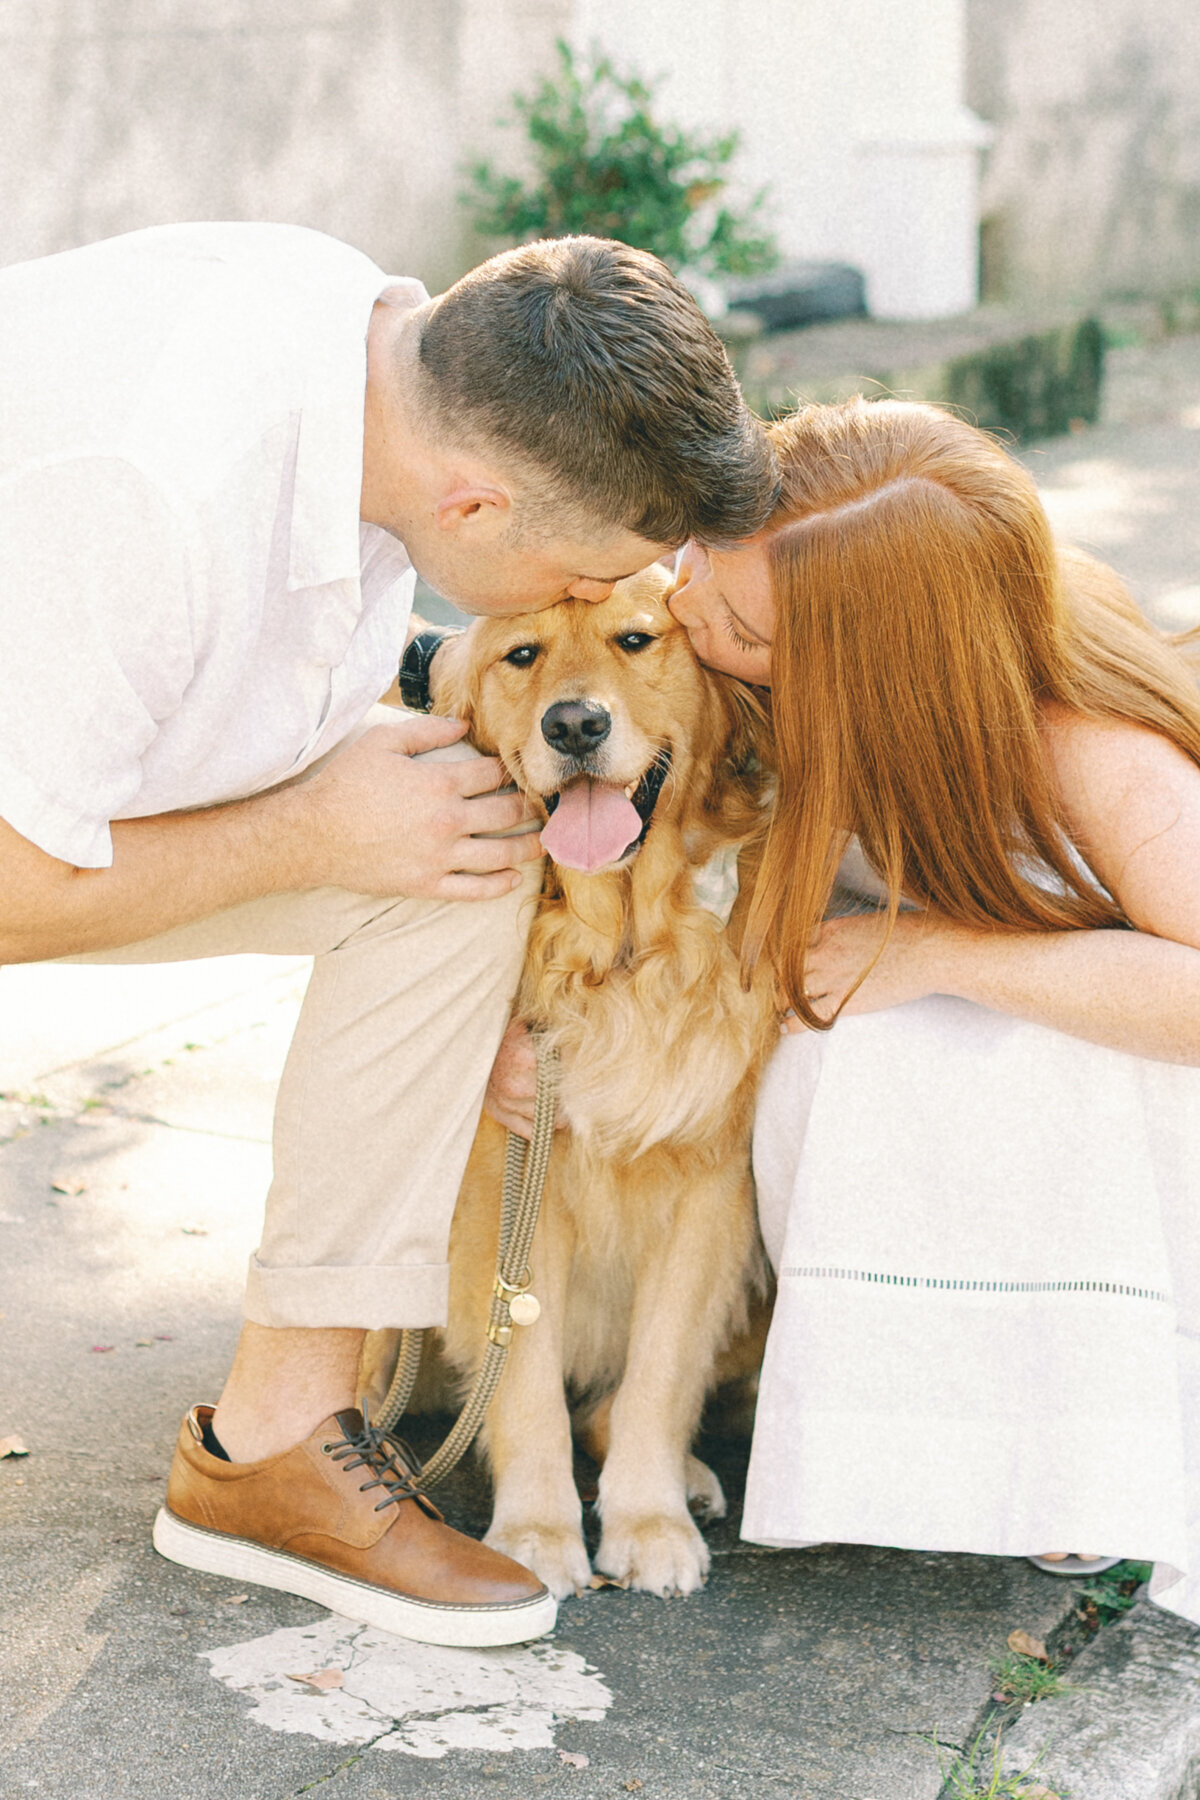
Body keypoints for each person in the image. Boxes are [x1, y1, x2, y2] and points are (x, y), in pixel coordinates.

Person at [0, 220, 779, 1645]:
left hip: (77, 763)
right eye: (594, 573)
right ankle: (272, 1469)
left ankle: (291, 1422)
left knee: (449, 837)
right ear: (478, 512)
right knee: (396, 835)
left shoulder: (374, 346)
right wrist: (308, 830)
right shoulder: (146, 497)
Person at [664, 396, 1200, 1622]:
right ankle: (892, 1429)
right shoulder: (698, 620)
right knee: (844, 1043)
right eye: (699, 560)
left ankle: (1078, 1439)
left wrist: (951, 956)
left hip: (1126, 1101)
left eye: (741, 625)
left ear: (873, 676)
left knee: (980, 1054)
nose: (687, 606)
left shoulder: (1089, 750)